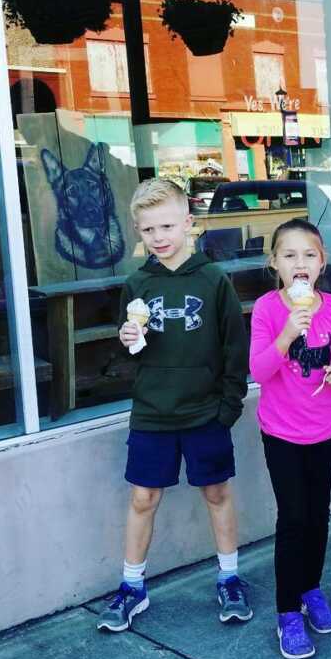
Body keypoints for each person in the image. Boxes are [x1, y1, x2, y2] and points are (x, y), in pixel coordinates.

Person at [96, 179, 250, 632]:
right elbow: (132, 351)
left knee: (217, 492)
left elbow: (233, 350)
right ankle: (131, 587)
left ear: (189, 224)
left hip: (206, 412)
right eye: (148, 230)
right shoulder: (137, 283)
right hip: (152, 413)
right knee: (142, 497)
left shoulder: (213, 281)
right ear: (138, 233)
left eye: (167, 225)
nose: (159, 237)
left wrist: (228, 409)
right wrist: (129, 341)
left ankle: (229, 577)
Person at [249, 218, 331, 659]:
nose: (300, 263)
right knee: (293, 519)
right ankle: (287, 611)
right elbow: (258, 370)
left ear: (322, 262)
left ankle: (311, 587)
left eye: (309, 255)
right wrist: (290, 331)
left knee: (318, 516)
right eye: (289, 255)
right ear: (274, 263)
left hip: (323, 428)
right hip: (281, 432)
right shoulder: (267, 309)